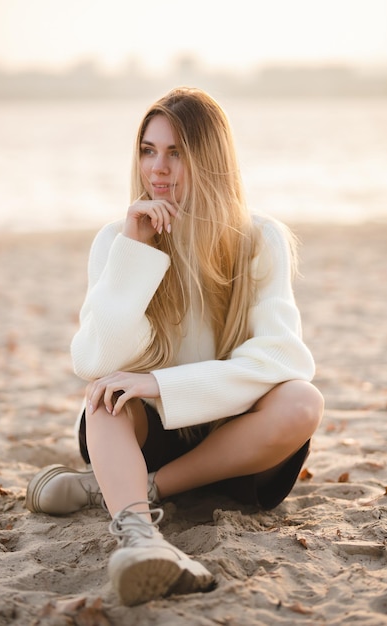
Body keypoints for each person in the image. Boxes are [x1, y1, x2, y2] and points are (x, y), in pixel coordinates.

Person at [26, 87, 324, 606]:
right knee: (103, 393)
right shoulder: (116, 241)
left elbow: (283, 358)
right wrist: (135, 254)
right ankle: (141, 538)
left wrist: (162, 382)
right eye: (147, 150)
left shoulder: (259, 239)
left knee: (303, 400)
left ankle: (131, 488)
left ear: (210, 158)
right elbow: (94, 359)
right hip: (140, 434)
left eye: (176, 151)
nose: (156, 168)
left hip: (235, 443)